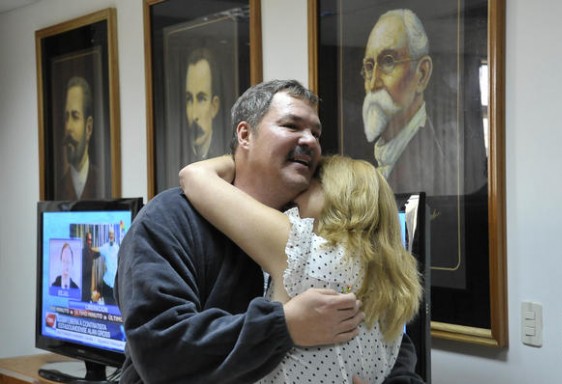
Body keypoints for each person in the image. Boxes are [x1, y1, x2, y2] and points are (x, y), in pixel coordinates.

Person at [115, 79, 424, 383]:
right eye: (292, 126)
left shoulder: (314, 233)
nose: (310, 141)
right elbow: (160, 349)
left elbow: (386, 338)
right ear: (245, 134)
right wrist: (283, 326)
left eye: (316, 133)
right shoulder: (169, 219)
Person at [179, 153, 423, 383]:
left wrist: (246, 158)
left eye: (308, 186)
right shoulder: (392, 281)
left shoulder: (310, 254)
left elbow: (194, 176)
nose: (294, 198)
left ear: (337, 194)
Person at [361, 9, 462, 197]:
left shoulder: (433, 159)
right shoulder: (370, 159)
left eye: (388, 61)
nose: (374, 82)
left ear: (422, 74)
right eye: (369, 66)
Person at [56, 76, 102, 200]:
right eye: (66, 118)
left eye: (75, 117)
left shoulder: (102, 180)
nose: (68, 127)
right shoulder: (59, 187)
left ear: (89, 128)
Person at [181, 47, 226, 164]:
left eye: (201, 99)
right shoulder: (177, 156)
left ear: (214, 106)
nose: (194, 115)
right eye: (189, 99)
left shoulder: (225, 156)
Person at [91, 229, 119, 305]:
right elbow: (96, 249)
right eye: (110, 234)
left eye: (112, 234)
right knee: (107, 305)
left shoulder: (118, 248)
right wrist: (88, 248)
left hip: (115, 285)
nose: (111, 235)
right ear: (108, 235)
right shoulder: (105, 247)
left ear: (114, 235)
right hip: (107, 283)